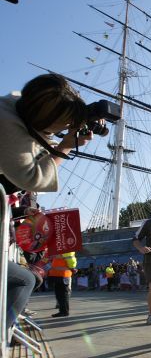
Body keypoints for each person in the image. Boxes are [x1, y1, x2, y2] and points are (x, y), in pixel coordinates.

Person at [0, 74, 95, 328]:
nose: (60, 131)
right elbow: (34, 177)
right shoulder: (8, 129)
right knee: (25, 280)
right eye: (59, 125)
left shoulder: (14, 104)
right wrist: (65, 144)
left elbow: (36, 140)